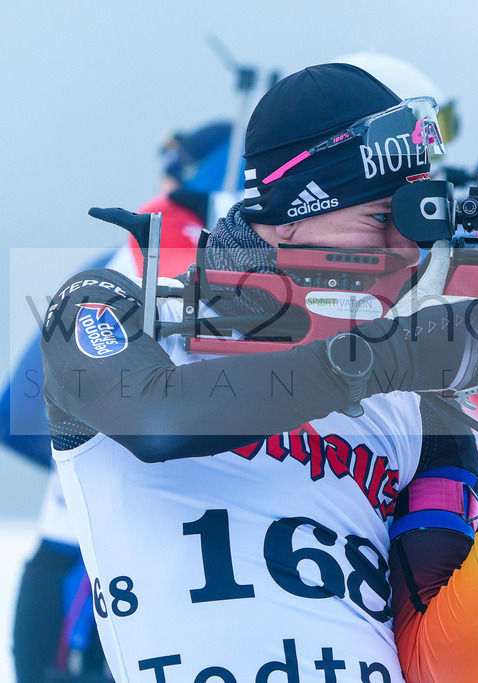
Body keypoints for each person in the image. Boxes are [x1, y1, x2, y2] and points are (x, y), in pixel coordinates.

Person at [39, 63, 478, 683]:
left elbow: (438, 667)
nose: (408, 250)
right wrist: (394, 356)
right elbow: (159, 422)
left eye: (415, 225)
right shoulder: (107, 308)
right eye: (379, 219)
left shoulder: (419, 405)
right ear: (291, 216)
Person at [8, 120, 243, 683]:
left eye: (175, 170)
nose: (164, 181)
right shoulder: (165, 240)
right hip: (116, 476)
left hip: (115, 475)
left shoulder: (154, 239)